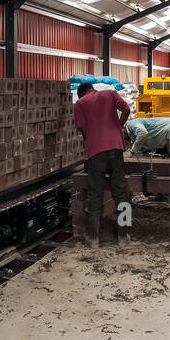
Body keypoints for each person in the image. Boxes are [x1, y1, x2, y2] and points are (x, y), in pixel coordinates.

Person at [74, 79, 131, 245]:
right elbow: (126, 109)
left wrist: (92, 140)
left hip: (96, 152)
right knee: (121, 193)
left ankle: (93, 238)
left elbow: (83, 129)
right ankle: (123, 236)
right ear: (92, 88)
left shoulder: (80, 103)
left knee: (95, 195)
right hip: (116, 148)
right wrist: (118, 126)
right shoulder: (110, 93)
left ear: (81, 93)